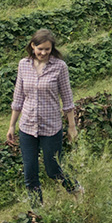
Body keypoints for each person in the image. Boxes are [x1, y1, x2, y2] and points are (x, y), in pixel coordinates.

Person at [7, 29, 78, 208]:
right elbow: (18, 97)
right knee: (30, 172)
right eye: (40, 49)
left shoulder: (59, 67)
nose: (44, 53)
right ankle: (37, 210)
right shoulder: (23, 65)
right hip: (27, 126)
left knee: (53, 169)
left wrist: (71, 126)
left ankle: (76, 190)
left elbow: (67, 99)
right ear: (33, 46)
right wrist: (11, 126)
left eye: (47, 49)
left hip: (51, 127)